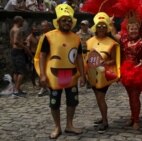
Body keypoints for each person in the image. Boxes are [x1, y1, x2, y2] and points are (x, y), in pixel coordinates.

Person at [35, 4, 85, 139]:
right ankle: (57, 126)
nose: (67, 23)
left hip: (72, 75)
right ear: (58, 22)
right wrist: (42, 75)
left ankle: (69, 124)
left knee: (72, 101)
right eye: (64, 20)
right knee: (54, 102)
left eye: (69, 20)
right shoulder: (48, 36)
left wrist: (83, 75)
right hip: (54, 76)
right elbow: (42, 56)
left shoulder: (76, 38)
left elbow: (79, 58)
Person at [111, 12, 142, 130]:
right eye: (131, 29)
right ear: (127, 30)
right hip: (126, 72)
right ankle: (133, 117)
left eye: (135, 28)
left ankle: (136, 121)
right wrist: (111, 23)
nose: (133, 31)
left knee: (134, 97)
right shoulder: (124, 39)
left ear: (138, 29)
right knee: (131, 97)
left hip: (137, 72)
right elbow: (114, 34)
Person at [85, 12, 120, 133]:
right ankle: (102, 117)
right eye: (99, 26)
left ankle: (105, 122)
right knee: (98, 98)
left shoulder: (112, 43)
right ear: (95, 27)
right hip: (92, 74)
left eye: (104, 26)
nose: (101, 28)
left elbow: (114, 60)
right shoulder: (89, 41)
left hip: (104, 75)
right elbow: (86, 57)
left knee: (100, 98)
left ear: (107, 28)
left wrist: (103, 63)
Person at [10, 16, 28, 97]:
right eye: (22, 21)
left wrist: (22, 42)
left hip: (13, 51)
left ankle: (17, 89)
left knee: (16, 71)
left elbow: (12, 41)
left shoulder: (12, 29)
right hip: (18, 51)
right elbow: (15, 41)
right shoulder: (17, 30)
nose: (22, 23)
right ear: (18, 21)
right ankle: (16, 91)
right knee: (21, 71)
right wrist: (24, 47)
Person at [37, 20, 53, 97]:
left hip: (49, 57)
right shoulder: (41, 36)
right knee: (40, 71)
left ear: (48, 27)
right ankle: (44, 87)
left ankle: (47, 87)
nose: (43, 27)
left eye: (44, 26)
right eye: (42, 26)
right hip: (41, 57)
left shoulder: (51, 35)